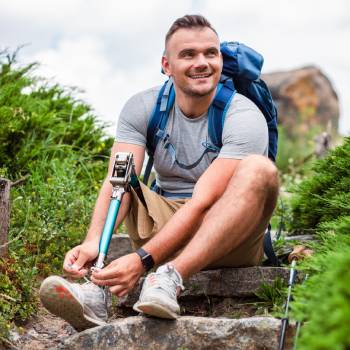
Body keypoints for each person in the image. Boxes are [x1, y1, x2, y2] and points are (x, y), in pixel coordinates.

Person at [40, 14, 279, 331]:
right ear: (166, 65)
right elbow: (118, 180)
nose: (202, 63)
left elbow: (202, 203)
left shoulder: (244, 117)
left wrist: (142, 261)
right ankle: (96, 292)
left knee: (261, 170)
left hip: (229, 234)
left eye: (211, 53)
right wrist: (94, 241)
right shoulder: (143, 108)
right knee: (125, 176)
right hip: (165, 219)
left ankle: (171, 277)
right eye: (188, 54)